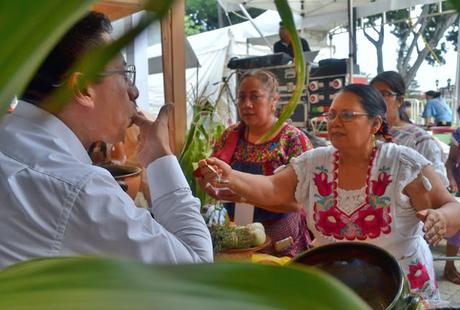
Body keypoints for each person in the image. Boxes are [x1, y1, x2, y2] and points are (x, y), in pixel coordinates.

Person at [197, 84, 460, 303]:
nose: (335, 123)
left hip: (400, 293)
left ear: (375, 123)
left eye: (347, 115)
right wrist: (229, 175)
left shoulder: (403, 164)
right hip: (336, 293)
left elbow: (452, 206)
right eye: (331, 115)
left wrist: (440, 217)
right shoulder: (315, 163)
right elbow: (273, 189)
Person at [0, 11, 213, 268]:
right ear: (83, 89)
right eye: (124, 75)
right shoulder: (78, 190)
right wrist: (160, 157)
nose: (134, 91)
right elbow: (196, 268)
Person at [196, 69, 313, 257]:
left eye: (255, 97)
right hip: (240, 231)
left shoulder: (292, 139)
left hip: (281, 232)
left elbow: (301, 203)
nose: (246, 104)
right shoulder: (231, 135)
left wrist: (245, 197)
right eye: (241, 98)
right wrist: (211, 185)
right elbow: (211, 180)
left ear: (274, 100)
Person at [370, 71, 448, 187]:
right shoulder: (364, 135)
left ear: (400, 101)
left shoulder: (419, 140)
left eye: (384, 94)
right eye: (372, 94)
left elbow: (437, 186)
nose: (376, 100)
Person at [444, 105, 460, 284]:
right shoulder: (458, 135)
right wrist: (451, 180)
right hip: (459, 184)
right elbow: (450, 161)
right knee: (457, 229)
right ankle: (449, 267)